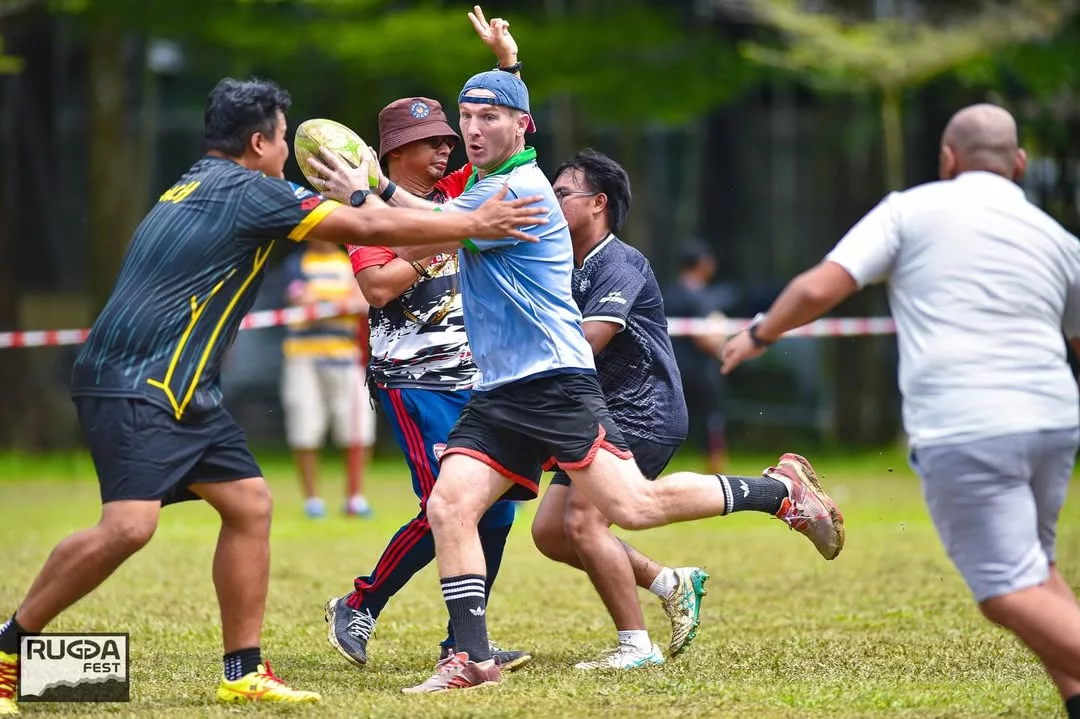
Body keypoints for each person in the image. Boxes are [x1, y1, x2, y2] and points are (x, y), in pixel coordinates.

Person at [0, 75, 547, 715]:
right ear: (259, 141)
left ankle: (243, 669)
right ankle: (10, 651)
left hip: (186, 387)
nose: (289, 152)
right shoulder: (252, 195)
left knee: (250, 505)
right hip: (135, 379)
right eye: (285, 139)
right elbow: (364, 222)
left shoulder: (196, 181)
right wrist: (473, 223)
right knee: (129, 526)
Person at [309, 69, 845, 695]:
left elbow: (437, 227)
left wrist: (364, 193)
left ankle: (778, 492)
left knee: (632, 507)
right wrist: (500, 71)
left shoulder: (523, 189)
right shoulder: (485, 183)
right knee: (450, 506)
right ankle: (470, 659)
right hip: (501, 390)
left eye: (489, 118)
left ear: (522, 126)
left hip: (555, 384)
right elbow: (433, 221)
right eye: (467, 118)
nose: (472, 131)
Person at [720, 103, 1080, 719]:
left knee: (1004, 593)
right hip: (1053, 418)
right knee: (1037, 573)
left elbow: (818, 288)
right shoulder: (1057, 236)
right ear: (1019, 164)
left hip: (969, 423)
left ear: (947, 159)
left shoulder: (910, 209)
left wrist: (757, 335)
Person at [324, 10, 529, 672]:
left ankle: (464, 642)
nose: (447, 147)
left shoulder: (455, 191)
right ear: (392, 156)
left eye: (447, 138)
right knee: (446, 504)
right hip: (413, 382)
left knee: (494, 515)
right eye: (430, 142)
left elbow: (507, 138)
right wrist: (443, 236)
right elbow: (377, 288)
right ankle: (357, 604)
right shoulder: (369, 212)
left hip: (477, 378)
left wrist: (507, 67)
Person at [530, 148, 709, 669]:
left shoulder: (621, 262)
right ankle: (669, 581)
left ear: (598, 203)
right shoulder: (563, 263)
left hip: (645, 410)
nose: (550, 201)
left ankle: (636, 646)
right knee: (549, 534)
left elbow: (586, 344)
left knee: (585, 525)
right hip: (599, 413)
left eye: (561, 194)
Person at [280, 239, 375, 519]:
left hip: (347, 357)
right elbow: (299, 299)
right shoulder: (296, 264)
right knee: (304, 425)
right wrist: (341, 302)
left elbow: (363, 303)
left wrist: (322, 301)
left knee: (356, 429)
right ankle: (312, 501)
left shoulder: (350, 262)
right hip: (302, 357)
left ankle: (355, 498)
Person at [663, 243, 729, 473]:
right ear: (701, 264)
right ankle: (715, 468)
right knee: (712, 419)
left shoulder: (667, 294)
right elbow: (704, 338)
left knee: (665, 420)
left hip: (670, 369)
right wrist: (725, 352)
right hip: (701, 370)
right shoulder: (700, 296)